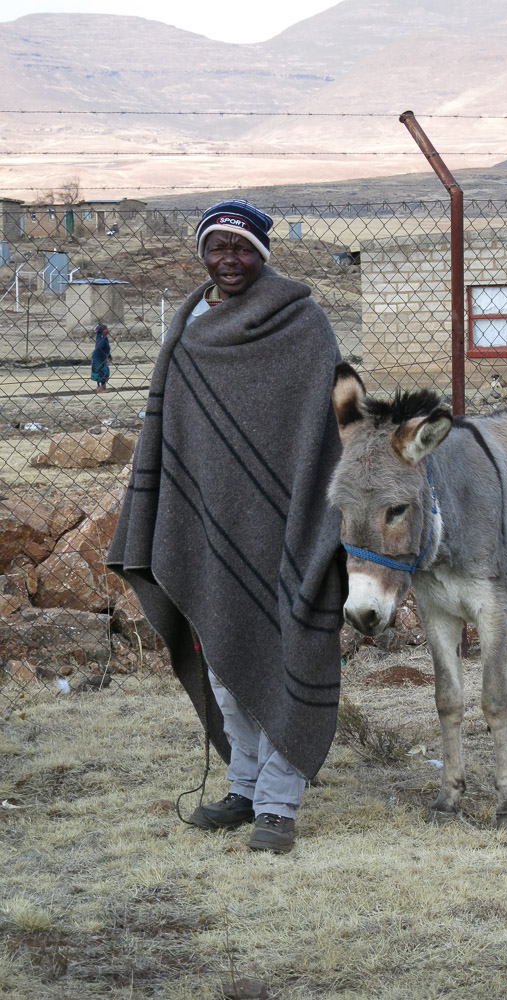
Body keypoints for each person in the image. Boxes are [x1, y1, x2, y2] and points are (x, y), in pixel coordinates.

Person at [107, 199, 345, 854]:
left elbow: (326, 438)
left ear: (262, 256)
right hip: (208, 525)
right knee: (224, 661)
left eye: (241, 249)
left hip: (292, 525)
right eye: (217, 247)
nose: (229, 259)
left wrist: (318, 520)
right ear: (203, 254)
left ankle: (278, 806)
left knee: (290, 649)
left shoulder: (303, 326)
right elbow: (175, 437)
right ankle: (244, 788)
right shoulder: (188, 330)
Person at [90, 322, 112, 392]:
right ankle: (100, 388)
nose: (107, 330)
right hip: (97, 358)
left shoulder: (104, 338)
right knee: (99, 372)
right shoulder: (100, 338)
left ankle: (103, 386)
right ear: (102, 331)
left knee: (105, 372)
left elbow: (106, 348)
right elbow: (100, 346)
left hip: (103, 358)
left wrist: (109, 356)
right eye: (106, 329)